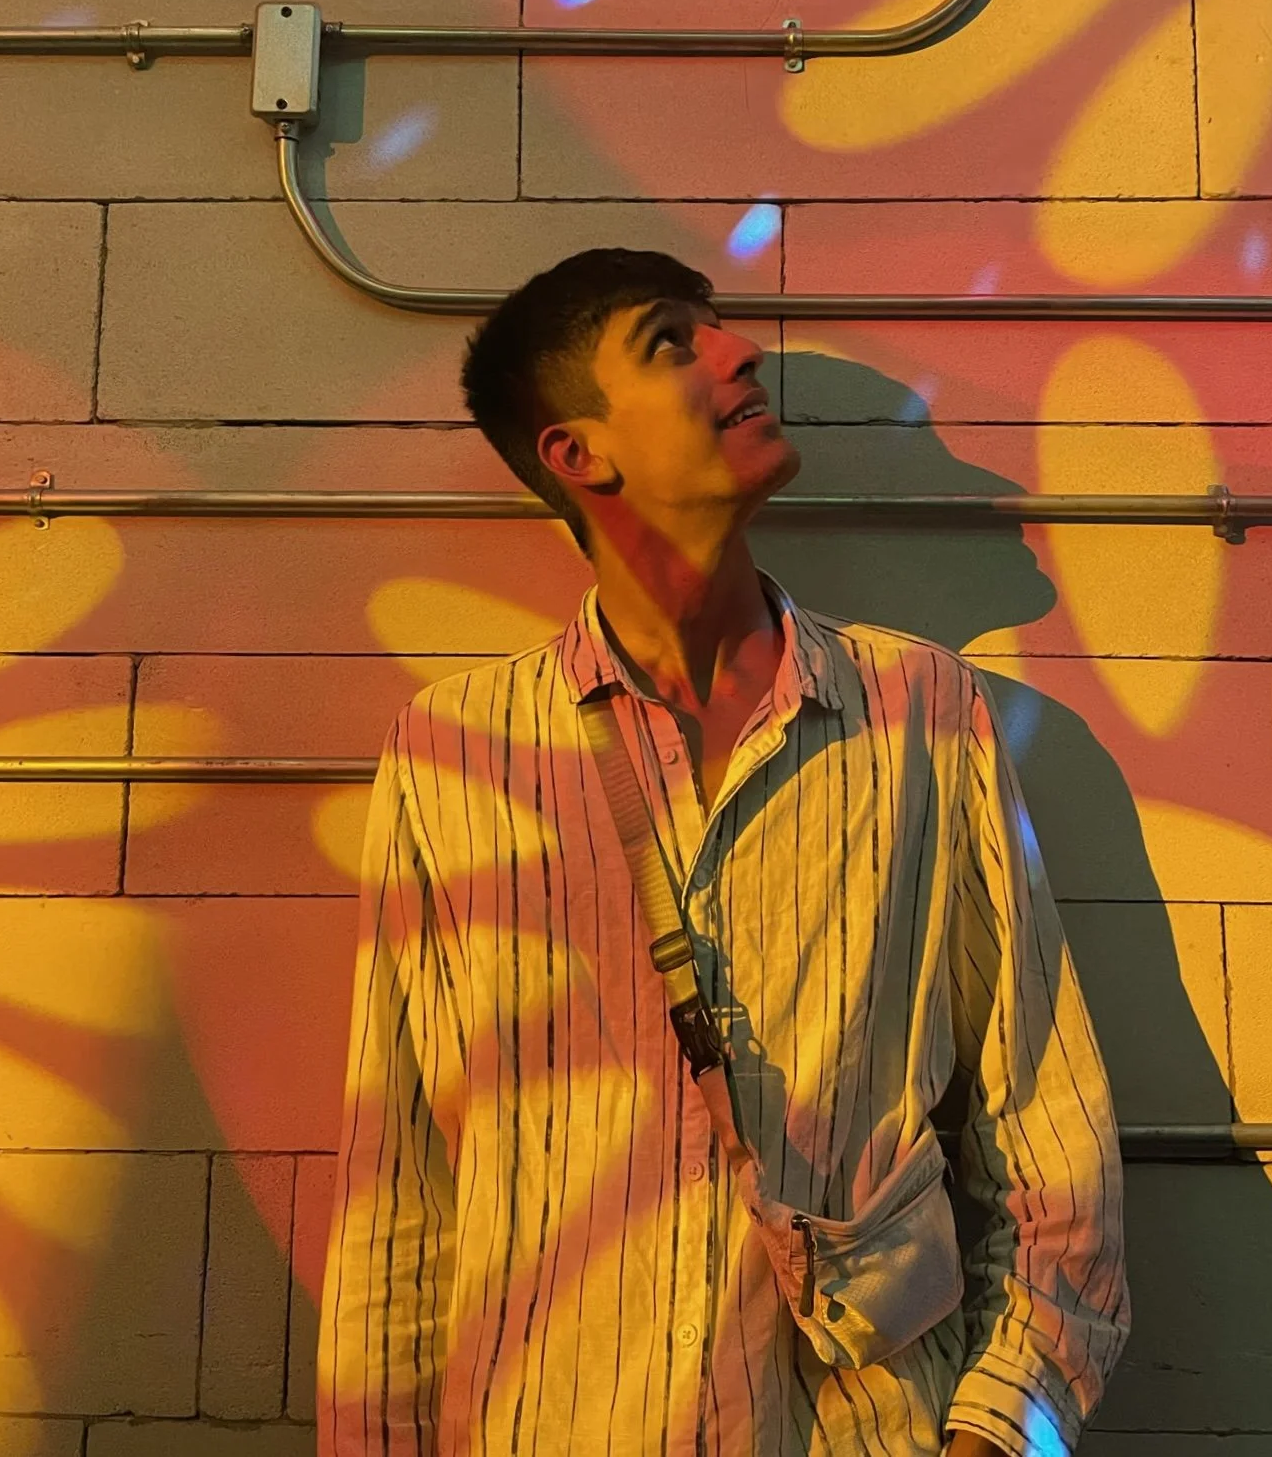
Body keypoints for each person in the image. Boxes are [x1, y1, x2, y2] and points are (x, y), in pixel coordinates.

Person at [317, 247, 1130, 1457]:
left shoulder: (923, 711)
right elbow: (400, 1188)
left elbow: (1048, 1134)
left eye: (719, 328)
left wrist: (1000, 1432)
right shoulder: (453, 752)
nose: (741, 352)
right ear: (578, 453)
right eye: (670, 343)